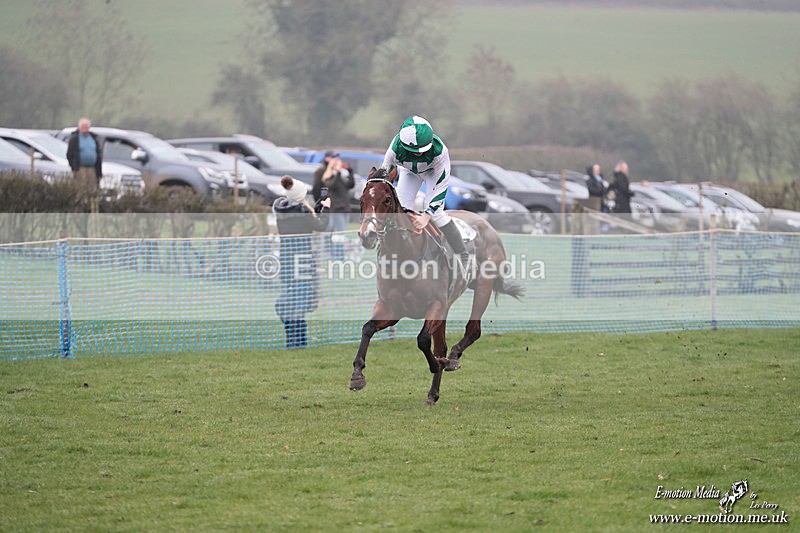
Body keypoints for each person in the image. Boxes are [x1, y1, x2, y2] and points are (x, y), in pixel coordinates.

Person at [380, 115, 470, 273]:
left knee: (438, 215)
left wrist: (427, 215)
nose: (419, 154)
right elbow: (384, 175)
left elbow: (442, 185)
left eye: (423, 150)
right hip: (409, 173)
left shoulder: (440, 151)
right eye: (415, 151)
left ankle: (463, 255)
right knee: (399, 213)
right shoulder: (395, 148)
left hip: (432, 174)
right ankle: (398, 255)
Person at [272, 175, 330, 349]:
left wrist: (315, 208)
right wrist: (326, 209)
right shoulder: (303, 211)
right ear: (300, 196)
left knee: (295, 300)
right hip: (303, 262)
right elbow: (321, 226)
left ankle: (296, 342)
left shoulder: (281, 208)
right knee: (298, 302)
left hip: (286, 262)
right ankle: (297, 343)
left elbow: (307, 218)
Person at [312, 150, 354, 260]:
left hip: (343, 206)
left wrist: (350, 171)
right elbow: (321, 188)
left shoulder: (339, 175)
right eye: (334, 159)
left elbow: (349, 185)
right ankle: (335, 255)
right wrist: (322, 201)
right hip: (333, 206)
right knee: (331, 231)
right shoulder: (322, 172)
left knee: (337, 231)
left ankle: (334, 253)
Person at [66, 118, 103, 187]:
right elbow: (69, 154)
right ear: (80, 127)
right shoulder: (75, 138)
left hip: (92, 169)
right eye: (83, 126)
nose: (85, 128)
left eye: (86, 126)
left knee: (92, 189)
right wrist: (74, 167)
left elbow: (98, 153)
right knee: (81, 189)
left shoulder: (94, 138)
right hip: (80, 169)